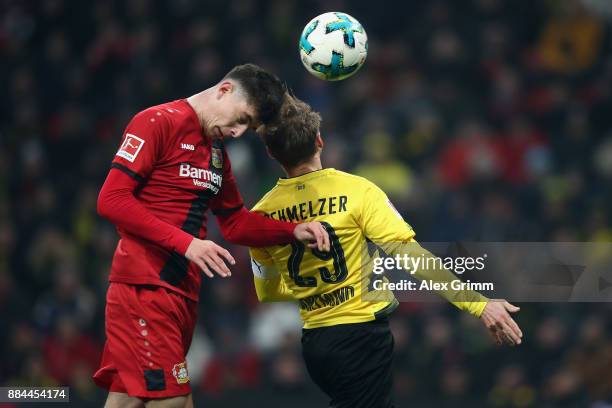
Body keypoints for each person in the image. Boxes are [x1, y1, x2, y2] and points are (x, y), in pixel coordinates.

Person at [249, 96, 523, 408]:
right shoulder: (357, 191)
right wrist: (479, 305)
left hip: (315, 343)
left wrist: (317, 289)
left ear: (271, 153)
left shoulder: (260, 214)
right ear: (320, 141)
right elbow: (410, 255)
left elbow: (268, 291)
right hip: (360, 337)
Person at [93, 64, 330, 408]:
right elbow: (111, 199)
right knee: (174, 400)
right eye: (241, 119)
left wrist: (292, 231)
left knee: (127, 399)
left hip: (181, 293)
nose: (237, 132)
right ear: (224, 90)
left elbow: (235, 222)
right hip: (145, 288)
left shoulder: (216, 152)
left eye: (247, 127)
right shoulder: (158, 121)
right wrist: (187, 243)